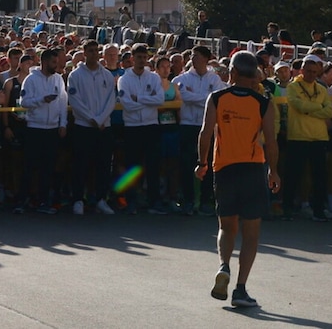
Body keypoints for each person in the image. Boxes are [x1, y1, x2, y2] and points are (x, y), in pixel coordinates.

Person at [197, 51, 279, 309]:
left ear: (232, 73)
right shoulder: (263, 102)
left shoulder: (217, 97)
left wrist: (202, 163)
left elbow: (205, 133)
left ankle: (224, 265)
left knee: (226, 226)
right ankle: (241, 289)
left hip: (224, 168)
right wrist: (273, 171)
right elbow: (271, 141)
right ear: (254, 74)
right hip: (252, 168)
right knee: (251, 231)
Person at [66, 40, 117, 216]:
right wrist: (92, 118)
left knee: (104, 164)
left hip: (104, 127)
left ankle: (101, 199)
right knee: (81, 164)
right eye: (91, 51)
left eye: (96, 50)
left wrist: (101, 119)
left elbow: (111, 100)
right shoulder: (75, 75)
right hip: (84, 126)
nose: (94, 54)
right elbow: (75, 100)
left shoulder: (107, 75)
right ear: (84, 53)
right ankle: (78, 200)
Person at [173, 45, 225, 216]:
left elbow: (217, 100)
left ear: (205, 58)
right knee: (186, 164)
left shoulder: (215, 79)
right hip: (187, 125)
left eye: (196, 56)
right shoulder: (182, 79)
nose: (192, 59)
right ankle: (188, 200)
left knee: (208, 163)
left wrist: (197, 98)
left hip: (208, 126)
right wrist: (206, 99)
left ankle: (205, 201)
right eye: (192, 56)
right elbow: (183, 96)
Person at [282, 55, 332, 221]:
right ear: (302, 70)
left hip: (319, 137)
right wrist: (318, 108)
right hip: (298, 136)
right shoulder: (293, 87)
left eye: (314, 72)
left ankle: (319, 210)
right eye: (308, 71)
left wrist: (309, 110)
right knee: (293, 175)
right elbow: (298, 105)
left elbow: (329, 111)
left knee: (320, 176)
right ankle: (287, 208)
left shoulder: (322, 89)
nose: (311, 75)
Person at [117, 43, 165, 214]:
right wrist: (147, 101)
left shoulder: (153, 78)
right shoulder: (124, 79)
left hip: (151, 126)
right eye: (139, 57)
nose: (142, 60)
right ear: (132, 58)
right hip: (132, 127)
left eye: (145, 57)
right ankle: (131, 201)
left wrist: (139, 98)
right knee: (132, 166)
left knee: (153, 166)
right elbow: (127, 105)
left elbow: (160, 100)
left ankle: (154, 201)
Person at [19, 48, 68, 214]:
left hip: (52, 129)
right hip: (35, 128)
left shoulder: (58, 79)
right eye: (53, 62)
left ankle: (43, 201)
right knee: (29, 167)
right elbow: (24, 102)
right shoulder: (31, 80)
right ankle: (23, 200)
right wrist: (41, 100)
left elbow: (62, 102)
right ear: (45, 62)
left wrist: (63, 124)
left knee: (48, 168)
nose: (56, 65)